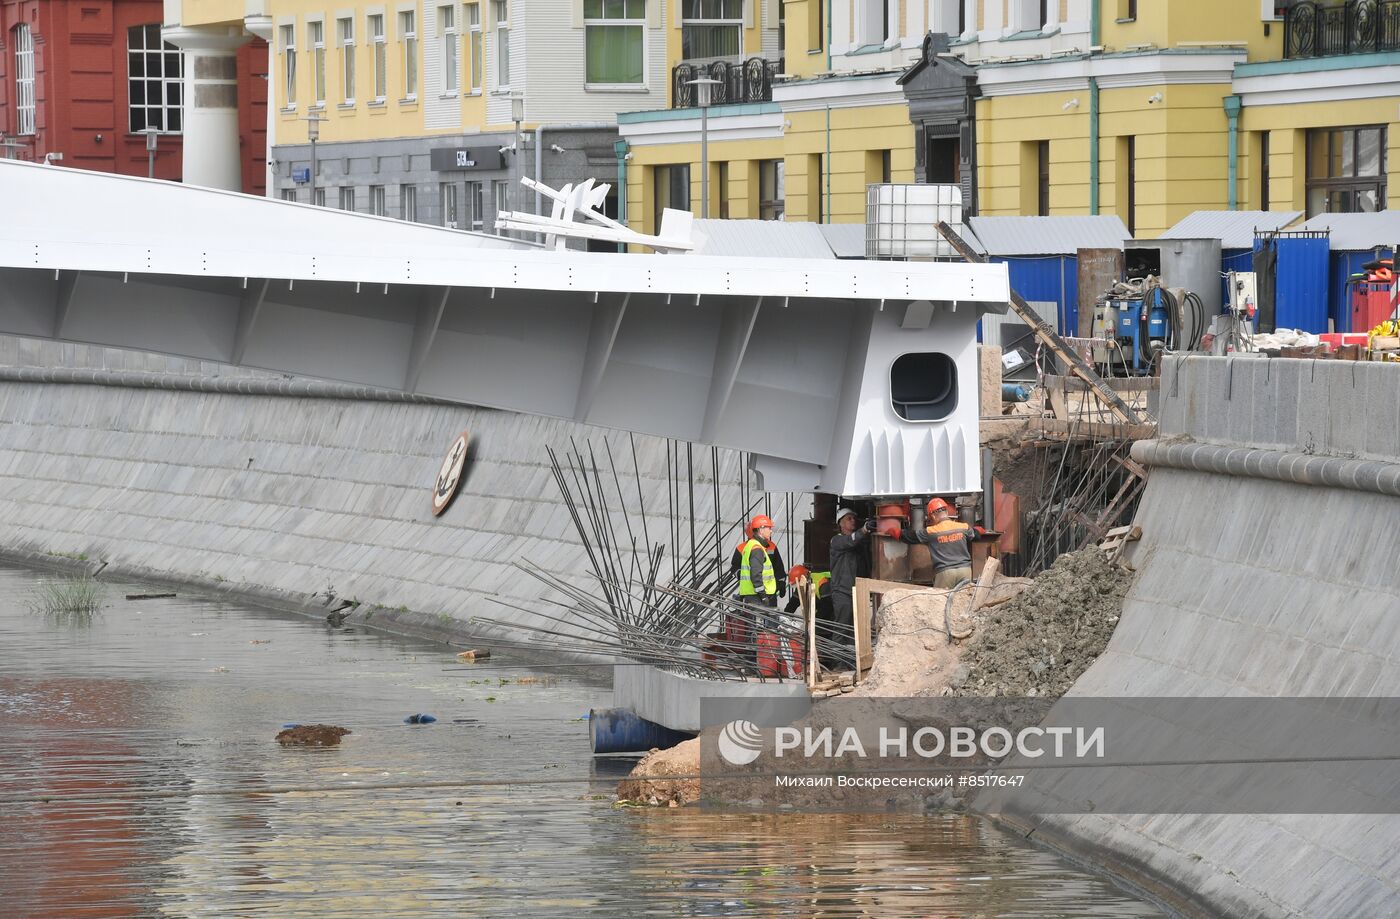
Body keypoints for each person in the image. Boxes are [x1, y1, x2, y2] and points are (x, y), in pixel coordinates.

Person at [828, 507, 877, 668]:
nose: (853, 521)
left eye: (854, 518)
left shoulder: (858, 544)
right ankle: (838, 663)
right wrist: (864, 529)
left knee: (854, 629)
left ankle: (851, 662)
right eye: (849, 518)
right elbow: (850, 541)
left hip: (857, 591)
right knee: (841, 628)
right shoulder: (837, 540)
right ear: (840, 523)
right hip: (842, 591)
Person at [902, 497, 975, 589]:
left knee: (941, 600)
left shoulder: (931, 531)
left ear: (932, 516)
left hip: (945, 572)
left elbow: (910, 536)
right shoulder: (963, 527)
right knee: (965, 600)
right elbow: (976, 535)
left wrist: (897, 533)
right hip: (965, 570)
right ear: (947, 512)